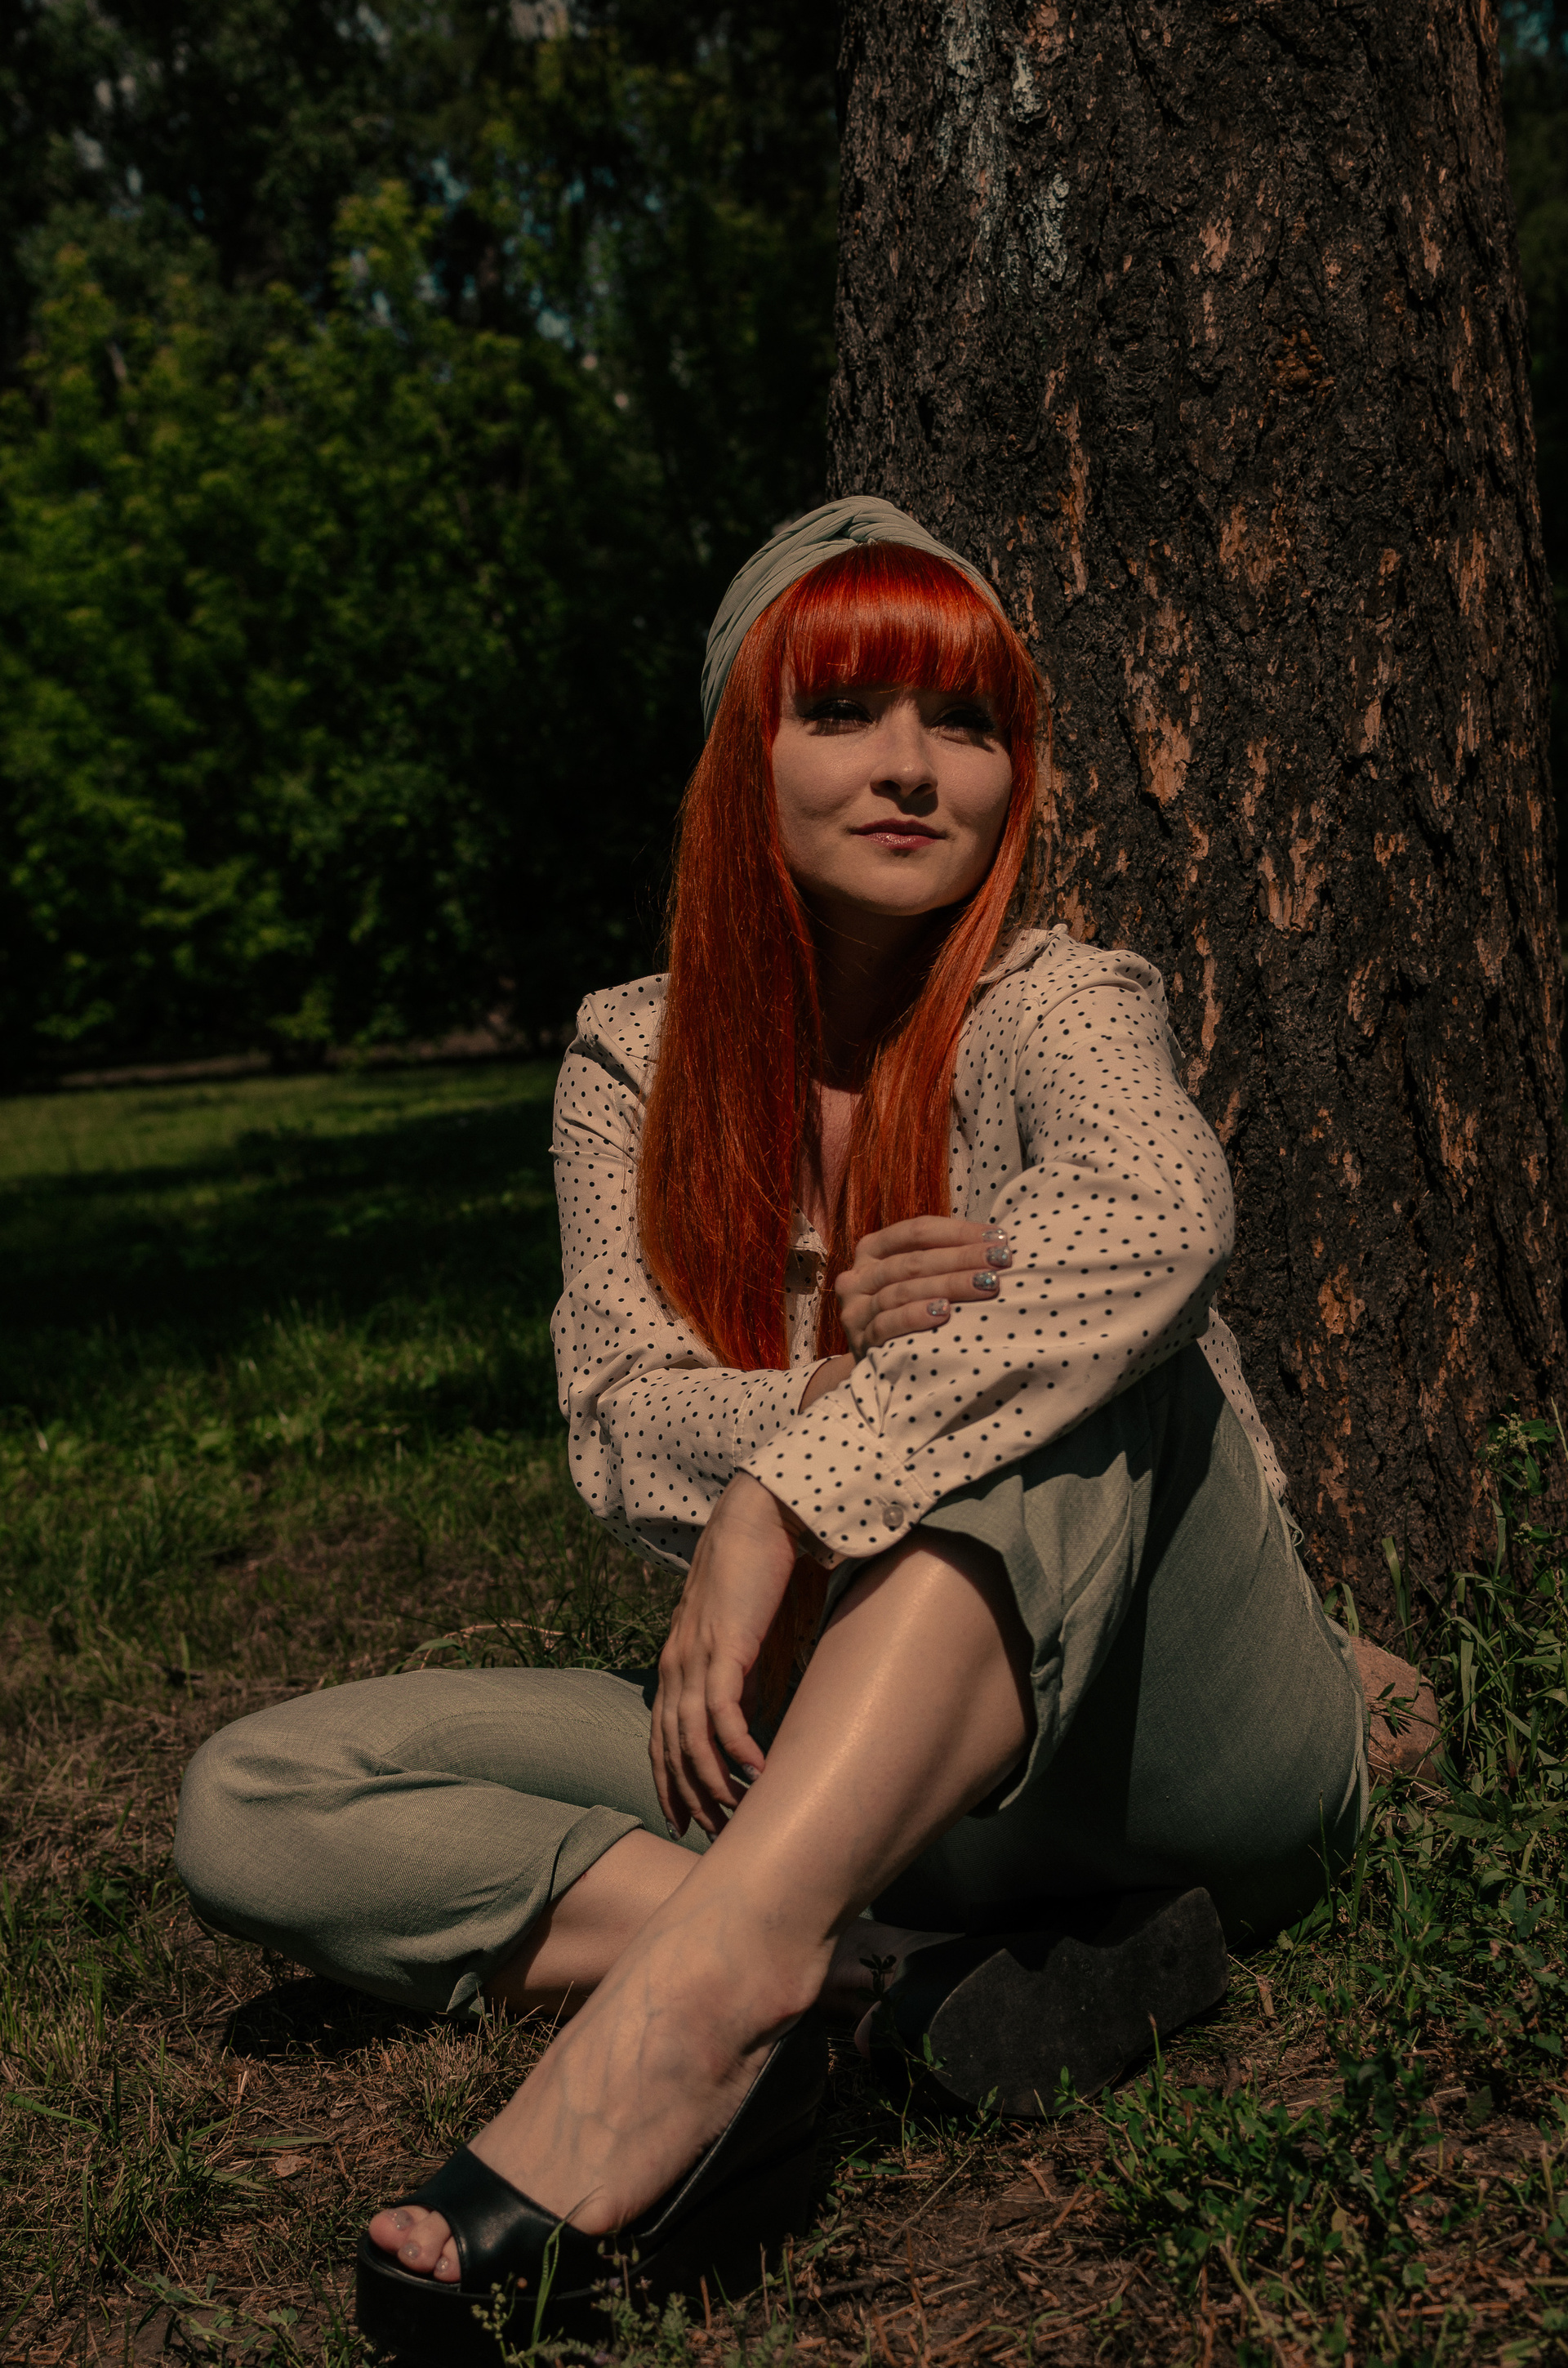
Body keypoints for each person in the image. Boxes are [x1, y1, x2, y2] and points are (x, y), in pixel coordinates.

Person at [173, 497, 1369, 2362]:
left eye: (963, 722)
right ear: (748, 755)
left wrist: (791, 1491)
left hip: (1174, 1745)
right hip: (850, 1769)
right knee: (259, 1801)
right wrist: (828, 1400)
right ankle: (886, 1974)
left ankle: (704, 2008)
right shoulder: (632, 1058)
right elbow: (622, 1413)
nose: (911, 766)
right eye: (844, 711)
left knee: (1051, 1352)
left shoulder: (1056, 1001)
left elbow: (1154, 1217)